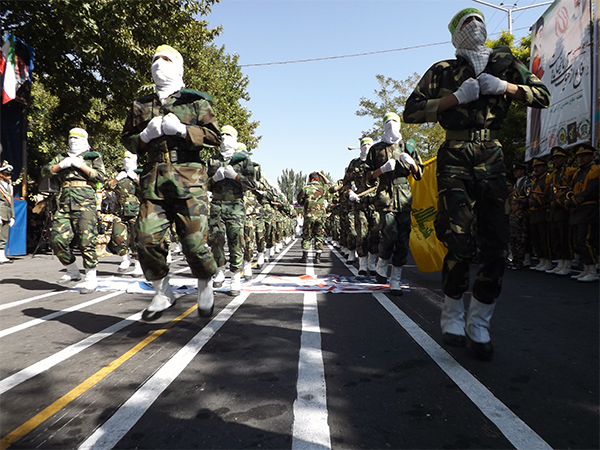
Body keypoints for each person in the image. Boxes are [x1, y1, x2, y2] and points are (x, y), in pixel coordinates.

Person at [403, 7, 551, 359]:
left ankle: (480, 321)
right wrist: (454, 98)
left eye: (479, 20)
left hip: (492, 154)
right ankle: (453, 312)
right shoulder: (443, 71)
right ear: (455, 33)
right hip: (454, 154)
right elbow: (411, 111)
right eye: (467, 22)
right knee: (457, 237)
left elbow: (542, 95)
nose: (475, 26)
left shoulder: (505, 64)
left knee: (497, 242)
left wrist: (507, 87)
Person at [121, 44, 221, 320]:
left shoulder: (195, 102)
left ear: (178, 67)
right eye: (155, 59)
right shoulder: (141, 105)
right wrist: (145, 136)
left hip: (189, 179)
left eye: (165, 59)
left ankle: (205, 284)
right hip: (154, 181)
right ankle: (163, 292)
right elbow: (127, 140)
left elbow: (214, 137)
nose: (158, 63)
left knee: (194, 244)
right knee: (146, 239)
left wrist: (184, 130)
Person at [42, 128, 107, 293]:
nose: (72, 141)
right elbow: (45, 171)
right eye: (70, 138)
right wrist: (61, 165)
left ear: (84, 140)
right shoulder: (62, 157)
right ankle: (72, 269)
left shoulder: (93, 156)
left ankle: (91, 278)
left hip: (85, 202)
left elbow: (100, 177)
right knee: (57, 239)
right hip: (64, 201)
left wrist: (81, 165)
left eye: (77, 138)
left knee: (86, 241)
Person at [366, 113, 423, 295]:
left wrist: (412, 164)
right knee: (390, 235)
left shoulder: (408, 147)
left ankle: (396, 279)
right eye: (388, 122)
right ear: (383, 126)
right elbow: (367, 177)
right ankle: (382, 263)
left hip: (404, 197)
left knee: (403, 240)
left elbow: (419, 174)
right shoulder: (376, 149)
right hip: (385, 196)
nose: (392, 125)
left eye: (395, 122)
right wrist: (381, 170)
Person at [207, 125, 256, 296]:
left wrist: (235, 176)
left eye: (228, 135)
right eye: (222, 135)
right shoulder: (212, 160)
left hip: (235, 205)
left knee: (236, 241)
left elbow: (252, 184)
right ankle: (220, 269)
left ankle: (235, 277)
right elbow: (203, 184)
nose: (224, 137)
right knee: (216, 240)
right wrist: (214, 179)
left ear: (234, 138)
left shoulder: (243, 160)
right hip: (216, 205)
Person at [343, 137, 380, 275]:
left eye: (370, 145)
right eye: (365, 145)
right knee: (361, 234)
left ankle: (372, 263)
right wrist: (350, 192)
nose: (367, 147)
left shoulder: (377, 162)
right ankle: (362, 265)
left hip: (375, 203)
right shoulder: (354, 164)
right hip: (360, 203)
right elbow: (346, 182)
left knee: (375, 233)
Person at [565, 143, 599, 282]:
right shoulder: (578, 172)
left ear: (591, 156)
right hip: (577, 211)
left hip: (588, 209)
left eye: (585, 155)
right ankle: (586, 269)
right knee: (578, 242)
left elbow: (592, 190)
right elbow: (571, 189)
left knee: (585, 240)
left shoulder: (595, 170)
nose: (581, 158)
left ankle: (592, 270)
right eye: (579, 156)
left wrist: (573, 200)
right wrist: (569, 200)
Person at [106, 150, 143, 277]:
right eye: (124, 158)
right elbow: (107, 186)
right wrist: (117, 179)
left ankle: (138, 265)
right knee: (117, 237)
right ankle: (125, 259)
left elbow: (148, 188)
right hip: (119, 212)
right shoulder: (118, 174)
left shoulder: (140, 173)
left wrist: (136, 179)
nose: (126, 160)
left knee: (136, 239)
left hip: (135, 212)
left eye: (129, 158)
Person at [545, 146, 577, 276]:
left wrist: (559, 202)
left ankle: (567, 263)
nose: (556, 161)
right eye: (554, 158)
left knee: (565, 237)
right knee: (556, 238)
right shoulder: (553, 175)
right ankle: (560, 262)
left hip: (563, 210)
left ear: (565, 159)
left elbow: (570, 190)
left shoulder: (569, 172)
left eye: (559, 158)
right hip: (554, 212)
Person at [297, 172, 328, 263]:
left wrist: (306, 204)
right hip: (320, 216)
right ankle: (317, 258)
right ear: (317, 179)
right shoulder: (322, 188)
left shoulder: (305, 188)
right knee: (319, 236)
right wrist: (322, 175)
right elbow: (329, 184)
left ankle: (305, 257)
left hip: (309, 215)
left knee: (307, 235)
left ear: (310, 179)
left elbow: (299, 201)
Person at [528, 157, 552, 272]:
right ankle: (541, 259)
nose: (536, 169)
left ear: (544, 167)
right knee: (536, 238)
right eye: (535, 167)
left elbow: (549, 195)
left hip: (542, 211)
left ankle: (548, 260)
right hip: (534, 213)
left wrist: (536, 202)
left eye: (539, 166)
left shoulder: (547, 179)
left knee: (544, 238)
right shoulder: (535, 180)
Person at [0, 160, 15, 264]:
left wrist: (12, 216)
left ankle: (2, 256)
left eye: (9, 174)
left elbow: (11, 202)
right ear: (1, 174)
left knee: (4, 235)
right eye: (6, 173)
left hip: (6, 213)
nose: (9, 176)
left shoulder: (9, 186)